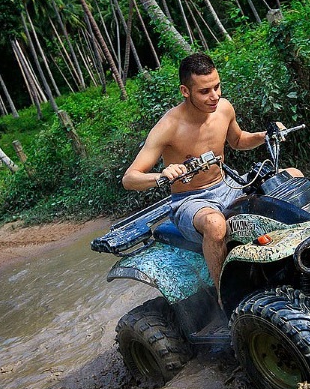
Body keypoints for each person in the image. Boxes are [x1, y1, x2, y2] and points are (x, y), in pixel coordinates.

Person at [122, 53, 300, 290]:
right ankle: (223, 295)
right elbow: (130, 178)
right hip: (192, 201)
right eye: (204, 91)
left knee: (293, 176)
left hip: (228, 185)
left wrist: (265, 135)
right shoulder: (168, 127)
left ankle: (300, 262)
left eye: (217, 87)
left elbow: (237, 140)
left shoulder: (224, 108)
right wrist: (162, 175)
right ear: (185, 91)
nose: (214, 96)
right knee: (216, 225)